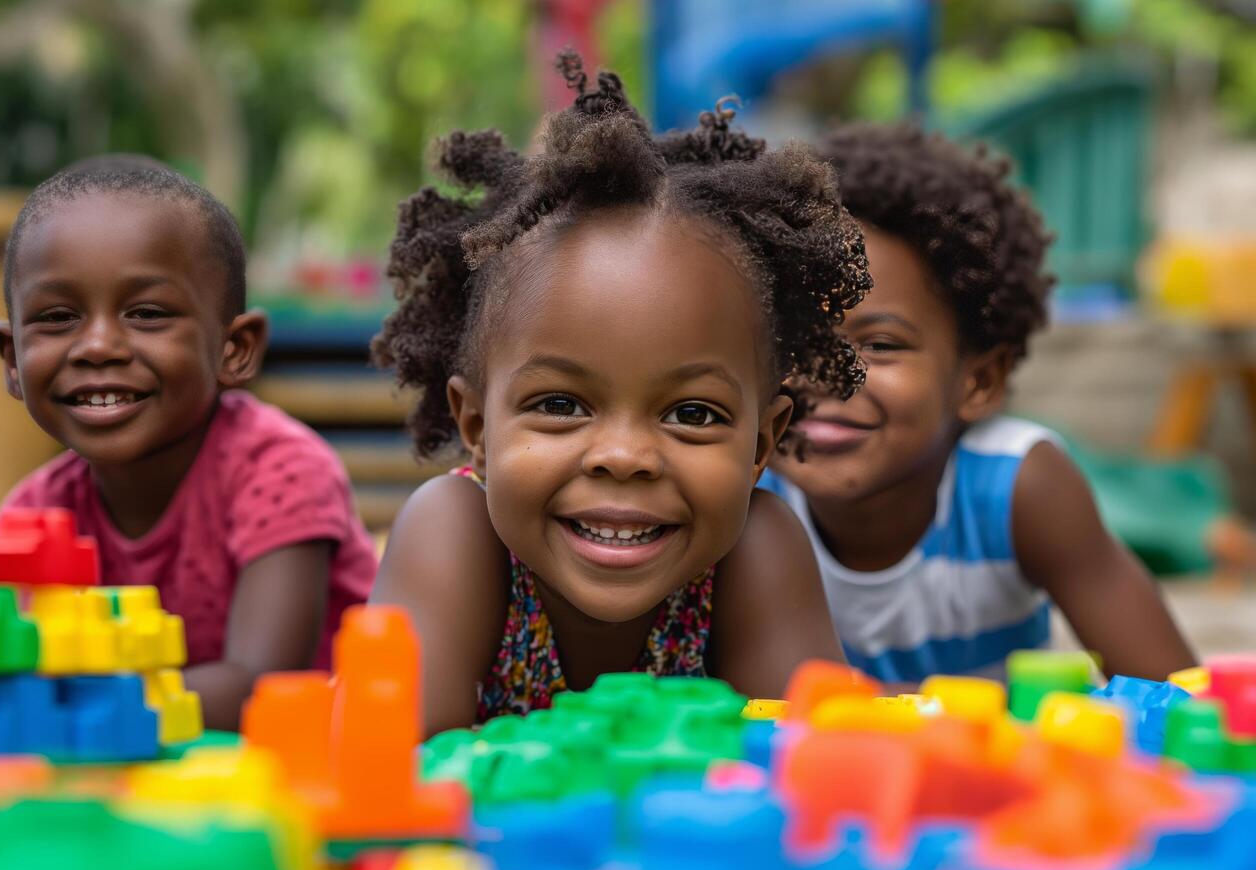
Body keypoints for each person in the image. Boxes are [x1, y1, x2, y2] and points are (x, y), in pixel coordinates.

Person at [371, 53, 870, 733]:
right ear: (478, 427)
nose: (624, 455)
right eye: (560, 404)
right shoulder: (455, 534)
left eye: (692, 414)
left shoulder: (755, 550)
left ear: (761, 444)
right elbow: (393, 777)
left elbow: (819, 768)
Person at [760, 123, 1197, 682]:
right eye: (793, 337)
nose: (823, 374)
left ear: (979, 382)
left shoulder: (1018, 489)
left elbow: (1177, 700)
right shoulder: (746, 499)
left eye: (880, 345)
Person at [0, 155, 376, 729]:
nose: (98, 345)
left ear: (235, 348)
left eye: (146, 313)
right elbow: (6, 676)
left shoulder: (278, 471)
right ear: (13, 360)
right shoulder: (32, 519)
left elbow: (261, 686)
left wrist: (74, 715)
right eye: (58, 317)